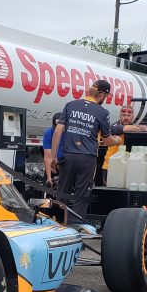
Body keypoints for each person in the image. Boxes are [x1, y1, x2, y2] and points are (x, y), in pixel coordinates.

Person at [51, 80, 121, 220]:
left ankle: (57, 223)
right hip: (87, 158)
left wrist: (54, 157)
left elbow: (58, 131)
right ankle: (76, 226)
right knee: (81, 195)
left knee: (62, 192)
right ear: (102, 94)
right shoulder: (102, 112)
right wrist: (117, 140)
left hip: (68, 155)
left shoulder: (70, 105)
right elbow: (107, 140)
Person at [42, 112, 63, 186]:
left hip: (65, 162)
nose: (57, 130)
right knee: (48, 183)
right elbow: (47, 156)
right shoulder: (48, 133)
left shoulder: (69, 134)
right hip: (53, 162)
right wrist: (49, 177)